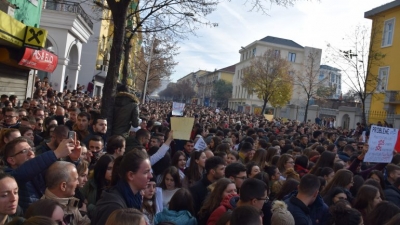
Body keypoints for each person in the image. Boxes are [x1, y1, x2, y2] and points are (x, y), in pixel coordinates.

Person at [3, 137, 79, 211]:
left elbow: (61, 174)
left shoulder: (38, 171)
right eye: (24, 151)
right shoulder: (7, 176)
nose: (31, 153)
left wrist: (73, 159)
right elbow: (22, 173)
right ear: (11, 160)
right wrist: (56, 153)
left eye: (31, 149)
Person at [91, 149, 153, 225]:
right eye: (146, 172)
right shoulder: (113, 207)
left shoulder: (135, 198)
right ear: (131, 175)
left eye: (150, 171)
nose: (150, 176)